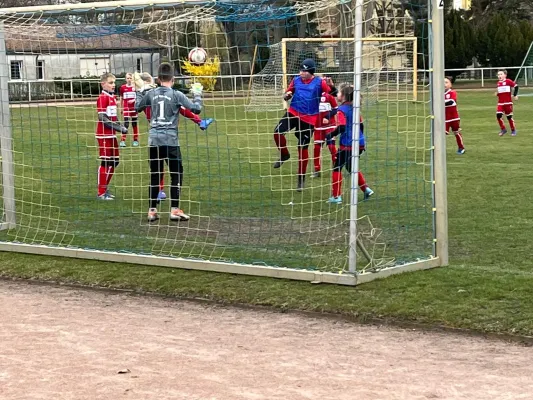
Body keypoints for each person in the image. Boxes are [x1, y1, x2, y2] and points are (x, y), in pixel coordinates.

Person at [135, 63, 203, 222]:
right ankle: (174, 210)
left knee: (155, 175)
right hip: (171, 141)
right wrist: (198, 93)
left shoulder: (151, 93)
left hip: (154, 140)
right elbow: (196, 109)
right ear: (173, 79)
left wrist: (139, 92)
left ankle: (152, 211)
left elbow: (137, 108)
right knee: (176, 174)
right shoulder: (177, 94)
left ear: (158, 79)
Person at [273, 58, 333, 191]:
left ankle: (301, 179)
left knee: (302, 148)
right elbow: (288, 92)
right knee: (277, 132)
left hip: (309, 119)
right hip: (293, 113)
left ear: (311, 72)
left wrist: (332, 86)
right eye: (301, 70)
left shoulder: (319, 82)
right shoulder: (295, 80)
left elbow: (331, 94)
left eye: (304, 71)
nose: (302, 73)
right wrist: (287, 95)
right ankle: (284, 154)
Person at [326, 84, 374, 204]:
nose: (337, 94)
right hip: (360, 143)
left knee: (337, 167)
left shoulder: (341, 110)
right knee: (351, 167)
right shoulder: (355, 108)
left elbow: (341, 127)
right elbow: (361, 125)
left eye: (339, 93)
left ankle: (336, 197)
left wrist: (331, 135)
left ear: (343, 96)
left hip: (348, 144)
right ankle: (366, 189)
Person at [95, 72, 127, 200]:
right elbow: (103, 118)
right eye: (110, 83)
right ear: (103, 84)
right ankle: (101, 192)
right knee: (106, 162)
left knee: (115, 161)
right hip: (103, 135)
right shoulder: (102, 98)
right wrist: (120, 128)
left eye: (114, 82)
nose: (113, 85)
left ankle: (105, 188)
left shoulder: (112, 97)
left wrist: (121, 125)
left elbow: (113, 117)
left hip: (111, 135)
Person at [312, 76, 338, 178]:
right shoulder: (312, 97)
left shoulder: (329, 96)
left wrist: (328, 116)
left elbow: (335, 109)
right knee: (317, 148)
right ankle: (316, 170)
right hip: (317, 127)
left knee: (331, 146)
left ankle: (336, 166)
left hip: (329, 126)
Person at [444, 77, 465, 155]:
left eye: (446, 82)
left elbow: (451, 102)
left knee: (456, 132)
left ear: (450, 84)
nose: (444, 84)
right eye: (443, 82)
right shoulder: (439, 94)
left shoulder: (452, 92)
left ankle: (461, 147)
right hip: (444, 118)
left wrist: (440, 102)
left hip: (454, 118)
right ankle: (440, 150)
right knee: (442, 134)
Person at [495, 69, 519, 136]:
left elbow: (516, 86)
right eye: (498, 74)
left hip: (508, 103)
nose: (499, 76)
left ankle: (513, 130)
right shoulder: (498, 83)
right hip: (500, 103)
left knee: (509, 117)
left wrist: (515, 95)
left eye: (501, 74)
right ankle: (503, 129)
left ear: (505, 75)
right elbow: (500, 92)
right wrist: (497, 93)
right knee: (498, 115)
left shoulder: (508, 81)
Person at [119, 73, 139, 147]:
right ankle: (122, 141)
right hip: (126, 108)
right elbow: (121, 98)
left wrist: (134, 100)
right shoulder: (123, 87)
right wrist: (121, 107)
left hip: (134, 108)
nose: (129, 80)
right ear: (125, 79)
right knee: (126, 124)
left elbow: (138, 97)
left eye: (130, 78)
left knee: (134, 124)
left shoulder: (135, 88)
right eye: (128, 78)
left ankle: (135, 140)